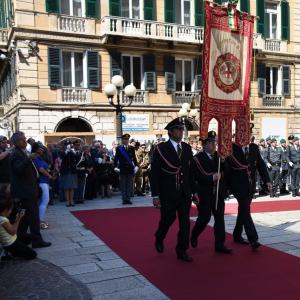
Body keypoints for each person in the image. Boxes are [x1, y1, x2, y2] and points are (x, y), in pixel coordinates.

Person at [150, 118, 199, 262]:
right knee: (168, 219)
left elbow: (190, 172)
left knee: (185, 222)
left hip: (184, 192)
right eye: (178, 129)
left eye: (182, 129)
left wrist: (194, 191)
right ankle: (160, 236)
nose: (181, 131)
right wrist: (155, 195)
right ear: (170, 132)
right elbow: (155, 173)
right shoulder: (161, 148)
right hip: (168, 192)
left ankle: (181, 250)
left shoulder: (186, 148)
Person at [225, 132, 271, 250]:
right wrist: (226, 187)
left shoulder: (254, 148)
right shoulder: (231, 148)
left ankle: (237, 234)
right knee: (245, 208)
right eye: (246, 133)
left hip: (250, 185)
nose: (249, 137)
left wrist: (267, 180)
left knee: (243, 209)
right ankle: (253, 239)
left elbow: (260, 165)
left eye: (250, 134)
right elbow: (227, 169)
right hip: (237, 185)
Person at [191, 131, 232, 254]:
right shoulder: (197, 158)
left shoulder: (218, 157)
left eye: (214, 142)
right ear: (204, 145)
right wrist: (211, 177)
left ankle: (220, 244)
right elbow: (198, 175)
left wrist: (224, 162)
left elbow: (227, 171)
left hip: (218, 192)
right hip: (204, 193)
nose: (214, 145)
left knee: (219, 218)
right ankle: (194, 234)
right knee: (204, 218)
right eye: (211, 142)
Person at [9, 131, 51, 248]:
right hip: (25, 191)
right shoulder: (15, 153)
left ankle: (21, 239)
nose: (25, 140)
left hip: (30, 189)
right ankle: (36, 240)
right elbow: (17, 170)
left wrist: (32, 156)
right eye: (23, 139)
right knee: (33, 217)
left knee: (26, 218)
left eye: (25, 138)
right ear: (17, 142)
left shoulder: (23, 152)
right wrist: (29, 159)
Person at [0, 186, 37, 260]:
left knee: (32, 237)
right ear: (5, 210)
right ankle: (13, 253)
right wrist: (18, 219)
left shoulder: (2, 218)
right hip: (11, 244)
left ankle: (17, 251)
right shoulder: (3, 220)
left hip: (12, 239)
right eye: (10, 210)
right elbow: (13, 232)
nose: (11, 212)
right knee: (33, 254)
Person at [114, 134, 138, 205]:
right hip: (122, 169)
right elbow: (116, 158)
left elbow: (134, 158)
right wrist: (115, 166)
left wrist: (136, 165)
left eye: (127, 139)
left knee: (129, 185)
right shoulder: (119, 148)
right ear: (122, 140)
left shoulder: (131, 148)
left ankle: (128, 199)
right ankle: (124, 199)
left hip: (130, 169)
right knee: (123, 185)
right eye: (125, 139)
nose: (126, 141)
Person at [59, 142, 78, 207]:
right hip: (65, 171)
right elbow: (61, 157)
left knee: (72, 187)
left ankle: (71, 201)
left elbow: (77, 158)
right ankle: (67, 201)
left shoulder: (73, 152)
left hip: (72, 171)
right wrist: (66, 151)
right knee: (66, 187)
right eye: (68, 146)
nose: (69, 147)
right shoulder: (63, 152)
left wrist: (73, 151)